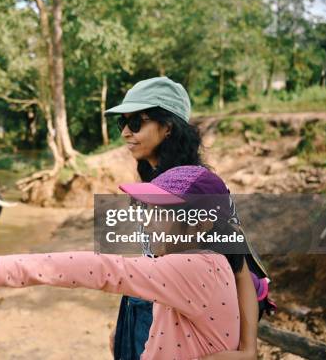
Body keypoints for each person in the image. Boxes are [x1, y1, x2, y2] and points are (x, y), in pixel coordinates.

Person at [0, 166, 246, 359]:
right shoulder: (188, 265)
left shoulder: (198, 267)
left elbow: (105, 270)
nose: (147, 221)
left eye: (160, 211)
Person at [102, 77, 272, 359]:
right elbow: (153, 255)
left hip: (183, 312)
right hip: (150, 304)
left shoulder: (197, 187)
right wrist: (126, 320)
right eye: (123, 124)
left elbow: (239, 267)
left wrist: (248, 350)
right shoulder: (152, 180)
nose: (125, 134)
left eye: (135, 124)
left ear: (167, 126)